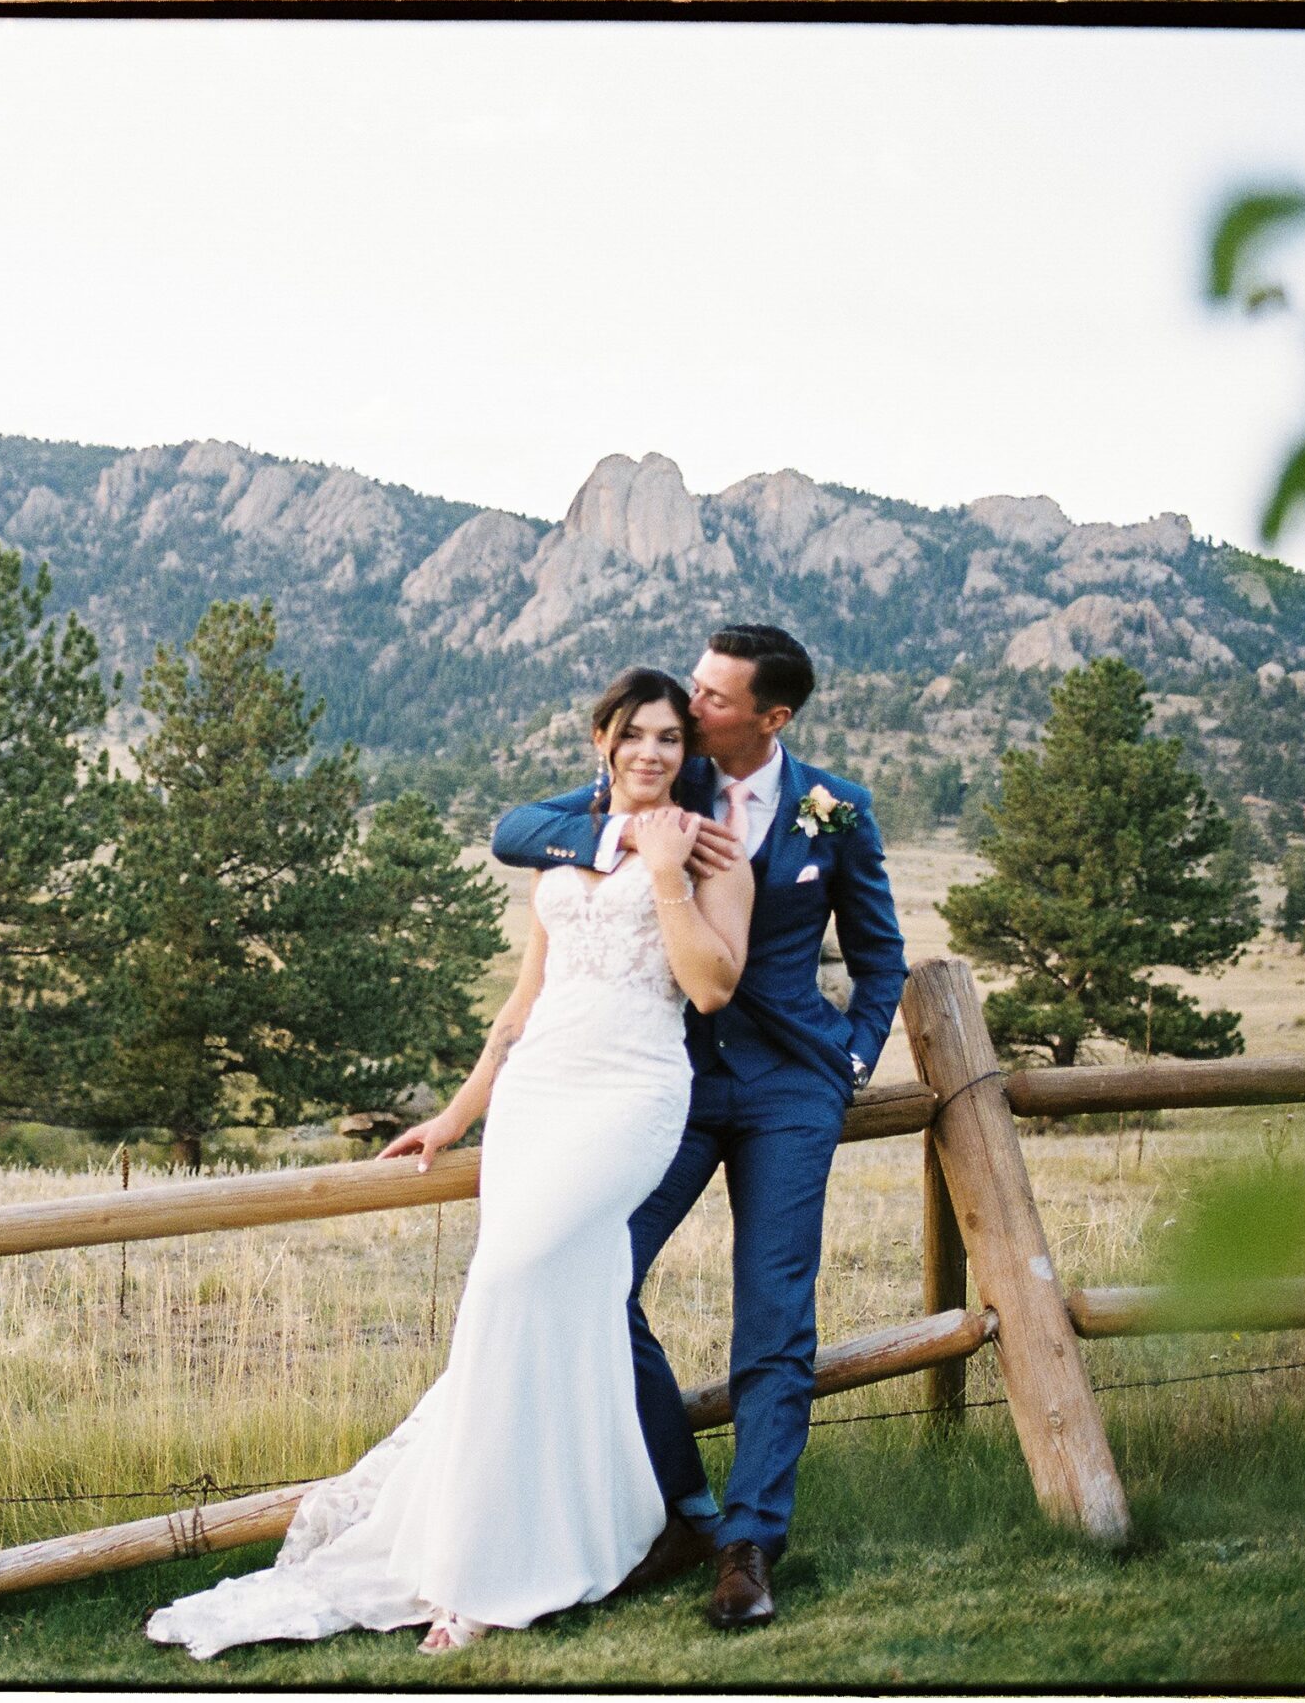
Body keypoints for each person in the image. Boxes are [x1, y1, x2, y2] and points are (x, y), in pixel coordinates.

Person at [144, 668, 754, 1659]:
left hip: (630, 1094)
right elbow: (523, 1003)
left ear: (688, 753)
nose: (653, 752)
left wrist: (666, 871)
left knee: (514, 1284)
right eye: (634, 734)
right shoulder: (562, 848)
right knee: (547, 1305)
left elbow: (710, 988)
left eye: (671, 739)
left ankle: (485, 1572)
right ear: (601, 739)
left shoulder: (712, 852)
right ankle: (595, 1522)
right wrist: (456, 1114)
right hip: (536, 1095)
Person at [489, 623, 908, 1630]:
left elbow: (880, 955)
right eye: (694, 693)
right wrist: (625, 836)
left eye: (716, 700)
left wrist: (850, 1063)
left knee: (773, 1316)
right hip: (670, 1083)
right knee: (596, 1275)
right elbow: (513, 829)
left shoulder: (833, 809)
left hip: (789, 1093)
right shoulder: (651, 793)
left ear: (773, 717)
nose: (693, 707)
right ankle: (685, 1506)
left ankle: (750, 1543)